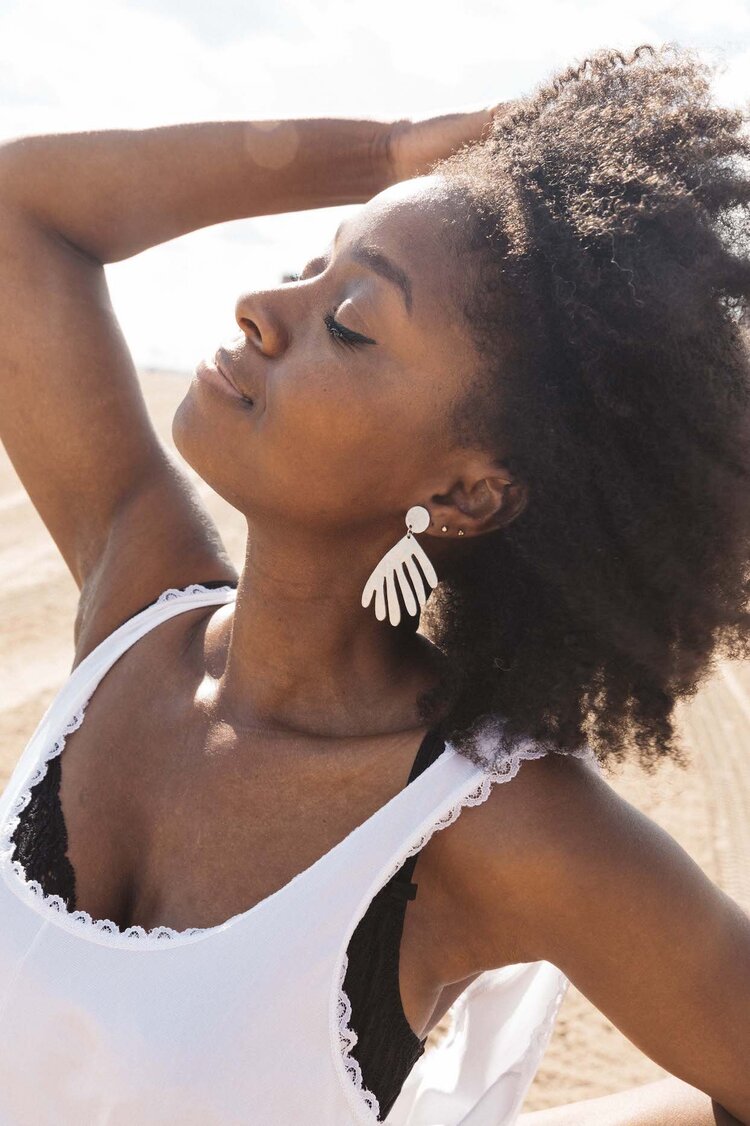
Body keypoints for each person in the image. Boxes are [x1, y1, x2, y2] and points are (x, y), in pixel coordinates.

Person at [0, 41, 748, 1126]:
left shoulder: (485, 823)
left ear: (469, 493)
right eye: (310, 265)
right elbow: (23, 214)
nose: (262, 305)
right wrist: (386, 155)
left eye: (349, 322)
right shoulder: (135, 606)